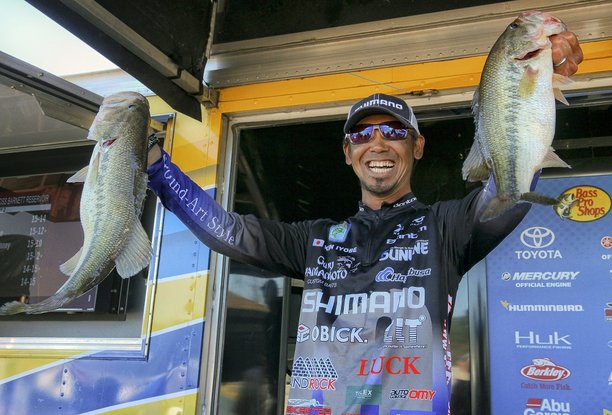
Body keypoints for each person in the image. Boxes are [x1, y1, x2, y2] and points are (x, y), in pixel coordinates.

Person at [146, 26, 582, 415]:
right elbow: (228, 231)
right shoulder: (314, 240)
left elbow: (508, 190)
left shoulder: (446, 227)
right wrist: (156, 166)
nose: (378, 143)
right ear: (348, 153)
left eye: (394, 132)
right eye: (361, 134)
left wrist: (538, 85)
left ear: (417, 147)